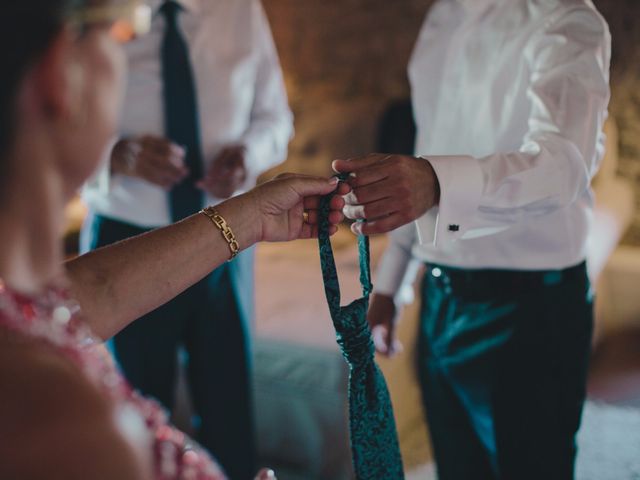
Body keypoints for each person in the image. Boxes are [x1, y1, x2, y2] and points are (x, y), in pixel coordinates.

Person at [0, 1, 346, 479]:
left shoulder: (28, 306)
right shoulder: (74, 431)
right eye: (119, 34)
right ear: (61, 73)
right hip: (125, 226)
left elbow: (92, 292)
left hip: (215, 238)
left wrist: (247, 211)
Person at [334, 0, 611, 478]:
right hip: (440, 300)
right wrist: (392, 285)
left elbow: (564, 163)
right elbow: (427, 153)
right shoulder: (443, 17)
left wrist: (437, 181)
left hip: (528, 314)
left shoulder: (566, 19)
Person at [80, 0, 293, 476]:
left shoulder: (241, 10)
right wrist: (117, 156)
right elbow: (52, 128)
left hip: (228, 240)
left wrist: (250, 155)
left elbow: (277, 118)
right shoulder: (96, 13)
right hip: (125, 243)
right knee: (133, 417)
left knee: (230, 407)